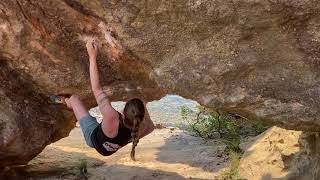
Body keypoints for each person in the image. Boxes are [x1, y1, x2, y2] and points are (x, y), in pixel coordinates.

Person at [52, 39, 155, 160]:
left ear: (125, 108)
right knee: (136, 129)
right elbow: (150, 128)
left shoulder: (112, 116)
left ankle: (63, 101)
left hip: (93, 137)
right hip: (108, 147)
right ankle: (113, 141)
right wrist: (123, 141)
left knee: (74, 99)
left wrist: (92, 56)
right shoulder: (137, 127)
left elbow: (96, 88)